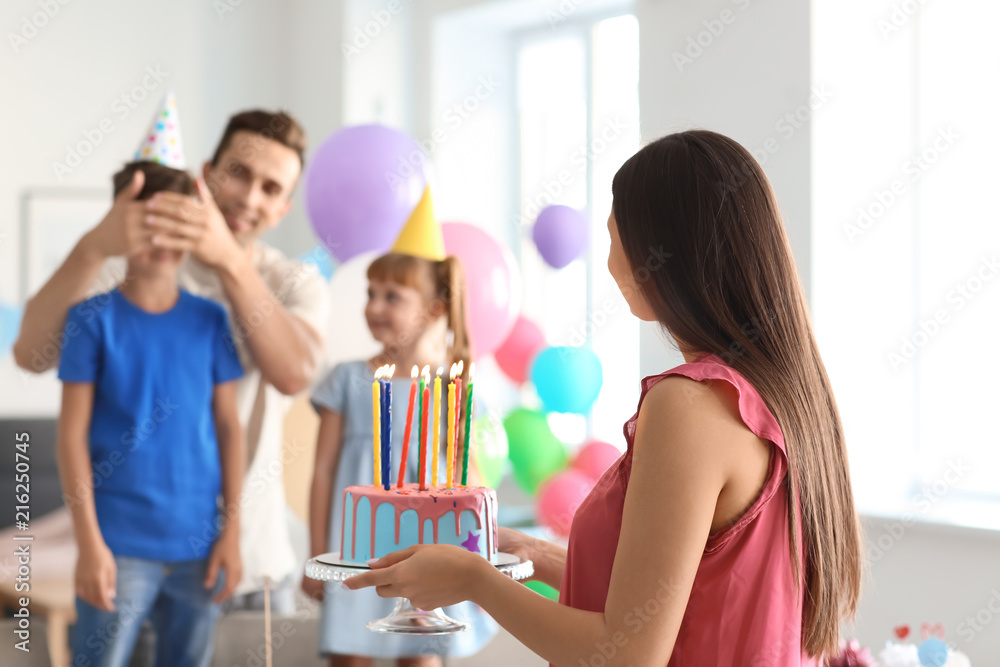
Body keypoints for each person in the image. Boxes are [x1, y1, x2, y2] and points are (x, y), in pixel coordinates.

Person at [343, 130, 864, 665]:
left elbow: (628, 655)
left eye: (616, 237)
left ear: (663, 254)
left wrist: (475, 582)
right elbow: (688, 593)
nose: (613, 262)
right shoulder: (789, 398)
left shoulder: (689, 405)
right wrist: (544, 558)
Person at [14, 109, 330, 614]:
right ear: (207, 173)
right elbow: (30, 354)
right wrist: (94, 244)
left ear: (284, 208)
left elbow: (293, 373)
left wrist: (228, 260)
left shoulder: (294, 283)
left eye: (270, 189)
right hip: (131, 560)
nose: (250, 197)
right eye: (239, 173)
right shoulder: (131, 267)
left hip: (246, 564)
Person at [57, 159, 245, 667]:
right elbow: (70, 438)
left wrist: (232, 532)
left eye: (177, 222)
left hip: (200, 546)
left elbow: (230, 428)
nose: (164, 239)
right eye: (150, 222)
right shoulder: (91, 321)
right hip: (117, 547)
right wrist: (90, 544)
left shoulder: (211, 320)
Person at [304, 203, 497, 666]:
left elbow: (465, 476)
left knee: (422, 653)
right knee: (352, 653)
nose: (374, 307)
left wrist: (483, 550)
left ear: (432, 308)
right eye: (371, 293)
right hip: (356, 552)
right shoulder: (348, 381)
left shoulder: (451, 388)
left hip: (424, 548)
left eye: (392, 297)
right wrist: (315, 557)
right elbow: (323, 471)